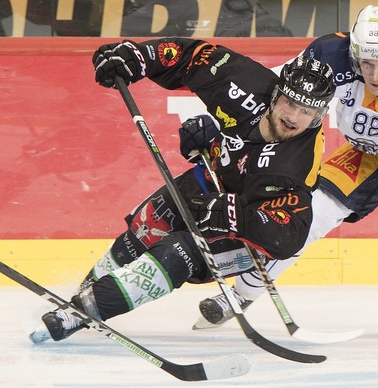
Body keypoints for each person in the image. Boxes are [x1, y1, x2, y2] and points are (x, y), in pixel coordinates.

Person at [193, 5, 378, 337]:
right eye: (366, 63)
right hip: (371, 149)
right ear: (354, 52)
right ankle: (240, 295)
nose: (375, 75)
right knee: (310, 213)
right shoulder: (330, 55)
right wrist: (224, 119)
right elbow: (276, 89)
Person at [29, 38, 335, 343]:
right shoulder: (246, 82)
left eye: (307, 111)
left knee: (179, 251)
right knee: (151, 222)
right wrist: (138, 57)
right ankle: (80, 298)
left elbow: (290, 234)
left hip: (249, 229)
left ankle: (81, 311)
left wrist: (236, 217)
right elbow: (191, 56)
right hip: (213, 182)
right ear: (276, 94)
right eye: (290, 103)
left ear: (319, 117)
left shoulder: (295, 164)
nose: (293, 117)